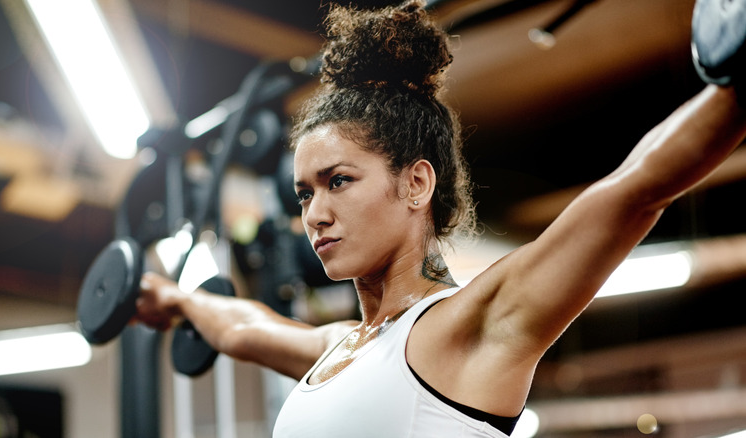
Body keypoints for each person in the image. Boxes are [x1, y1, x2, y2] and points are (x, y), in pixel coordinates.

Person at [134, 0, 746, 436]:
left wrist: (732, 94)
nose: (315, 214)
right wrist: (176, 299)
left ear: (416, 183)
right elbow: (242, 328)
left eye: (339, 181)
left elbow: (633, 190)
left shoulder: (474, 325)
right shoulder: (337, 351)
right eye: (303, 194)